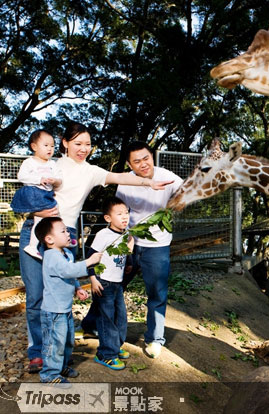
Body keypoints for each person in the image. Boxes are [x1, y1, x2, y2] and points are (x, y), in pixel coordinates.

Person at [18, 122, 173, 374]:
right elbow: (25, 195)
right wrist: (34, 210)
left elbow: (119, 177)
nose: (83, 149)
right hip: (35, 233)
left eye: (88, 144)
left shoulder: (90, 171)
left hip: (64, 239)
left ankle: (60, 351)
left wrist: (149, 184)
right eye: (77, 143)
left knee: (60, 296)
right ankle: (37, 352)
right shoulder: (51, 165)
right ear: (65, 143)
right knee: (36, 296)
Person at [116, 141, 183, 358]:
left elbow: (189, 191)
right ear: (129, 164)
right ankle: (93, 325)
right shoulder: (125, 183)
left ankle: (155, 339)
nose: (143, 164)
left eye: (146, 158)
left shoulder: (168, 177)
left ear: (151, 156)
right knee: (111, 286)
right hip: (130, 243)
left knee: (157, 293)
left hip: (157, 246)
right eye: (137, 161)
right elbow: (119, 212)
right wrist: (124, 238)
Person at [35, 217, 102, 385]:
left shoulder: (64, 254)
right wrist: (89, 261)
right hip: (53, 311)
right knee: (54, 344)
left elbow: (69, 275)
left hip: (64, 309)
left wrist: (78, 288)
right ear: (49, 239)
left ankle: (61, 367)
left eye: (67, 230)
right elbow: (67, 271)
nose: (68, 233)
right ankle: (49, 374)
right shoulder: (51, 256)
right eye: (63, 231)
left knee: (66, 341)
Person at [87, 197, 133, 370]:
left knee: (120, 317)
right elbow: (91, 258)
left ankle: (115, 346)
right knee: (106, 319)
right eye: (119, 214)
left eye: (126, 213)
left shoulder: (125, 233)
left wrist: (128, 263)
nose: (124, 217)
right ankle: (105, 354)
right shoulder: (103, 235)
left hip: (117, 284)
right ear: (108, 218)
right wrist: (92, 279)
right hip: (103, 283)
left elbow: (124, 253)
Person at [11, 130, 63, 259]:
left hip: (46, 194)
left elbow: (59, 180)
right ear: (34, 147)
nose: (50, 149)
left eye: (52, 146)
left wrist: (55, 180)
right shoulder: (30, 162)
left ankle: (61, 238)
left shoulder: (52, 164)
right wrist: (38, 179)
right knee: (44, 216)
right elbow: (21, 176)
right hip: (33, 193)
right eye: (46, 145)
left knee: (52, 214)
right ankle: (33, 246)